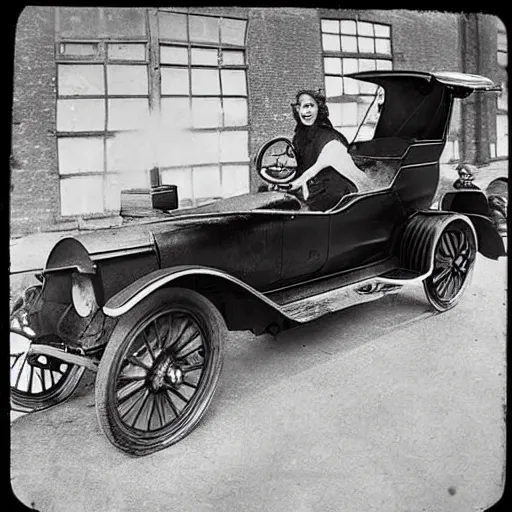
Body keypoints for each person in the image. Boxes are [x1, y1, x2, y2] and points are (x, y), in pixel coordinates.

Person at [288, 89, 374, 211]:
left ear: (319, 108)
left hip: (339, 195)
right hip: (314, 190)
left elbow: (313, 170)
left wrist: (296, 183)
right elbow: (300, 168)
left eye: (310, 106)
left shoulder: (330, 137)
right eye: (302, 106)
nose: (306, 111)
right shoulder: (299, 137)